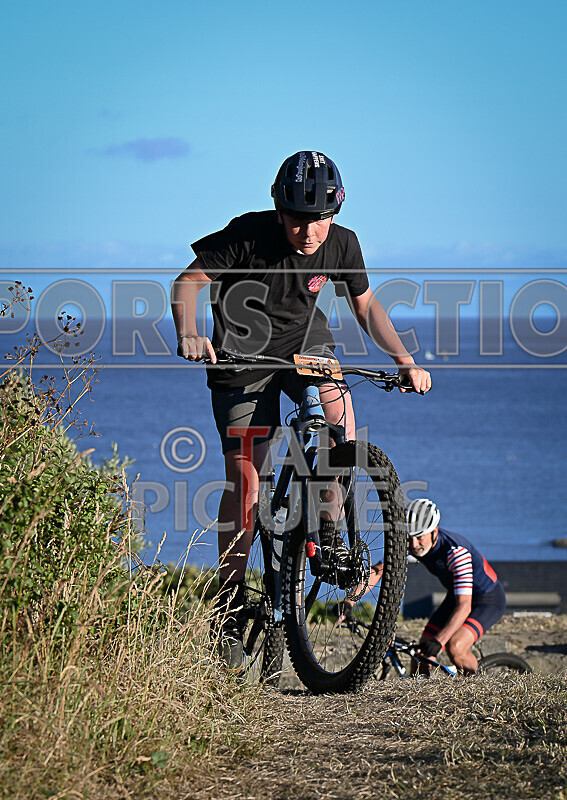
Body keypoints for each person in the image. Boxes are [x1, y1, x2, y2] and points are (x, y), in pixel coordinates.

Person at [171, 151, 432, 667]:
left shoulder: (341, 242)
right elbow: (187, 283)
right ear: (278, 209)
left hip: (304, 343)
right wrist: (188, 332)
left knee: (341, 419)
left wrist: (403, 359)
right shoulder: (246, 235)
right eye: (297, 220)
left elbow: (365, 306)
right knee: (247, 481)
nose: (309, 232)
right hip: (241, 354)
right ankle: (228, 602)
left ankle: (330, 529)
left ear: (333, 215)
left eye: (320, 220)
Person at [406, 498, 506, 675]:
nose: (414, 544)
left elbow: (464, 606)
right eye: (409, 537)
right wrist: (350, 602)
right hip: (456, 597)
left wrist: (439, 642)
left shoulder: (456, 552)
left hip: (487, 600)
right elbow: (378, 570)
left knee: (456, 647)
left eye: (420, 537)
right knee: (422, 654)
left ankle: (476, 691)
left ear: (434, 531)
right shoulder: (413, 545)